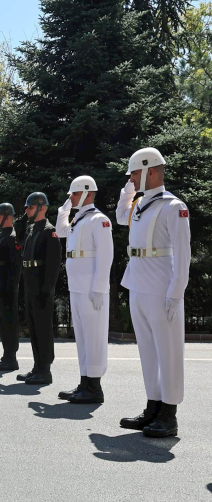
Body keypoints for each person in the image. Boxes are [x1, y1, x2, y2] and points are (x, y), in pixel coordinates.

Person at [116, 147, 190, 438]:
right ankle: (153, 407)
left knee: (168, 350)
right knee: (148, 350)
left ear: (153, 171)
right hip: (137, 281)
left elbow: (182, 253)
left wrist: (176, 291)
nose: (132, 179)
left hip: (161, 285)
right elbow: (121, 216)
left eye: (135, 173)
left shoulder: (173, 206)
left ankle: (169, 414)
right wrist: (127, 193)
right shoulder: (139, 204)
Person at [55, 176, 113, 403]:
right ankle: (84, 382)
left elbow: (106, 255)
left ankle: (94, 388)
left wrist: (99, 288)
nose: (71, 197)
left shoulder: (99, 220)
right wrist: (64, 210)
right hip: (77, 286)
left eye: (75, 194)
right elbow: (61, 231)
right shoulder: (78, 219)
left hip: (91, 288)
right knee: (82, 337)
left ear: (88, 193)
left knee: (94, 336)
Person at [18, 192, 62, 385]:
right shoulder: (31, 229)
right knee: (34, 327)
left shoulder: (49, 231)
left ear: (42, 208)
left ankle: (45, 370)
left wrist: (47, 289)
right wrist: (24, 218)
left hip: (41, 286)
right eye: (26, 207)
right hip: (30, 283)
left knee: (43, 329)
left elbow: (53, 264)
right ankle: (37, 367)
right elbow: (17, 234)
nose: (27, 211)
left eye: (30, 207)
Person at [0, 203, 22, 371]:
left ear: (8, 217)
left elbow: (14, 266)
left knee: (9, 322)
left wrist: (10, 287)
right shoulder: (1, 235)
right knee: (2, 322)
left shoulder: (12, 237)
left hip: (6, 286)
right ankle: (6, 356)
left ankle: (11, 358)